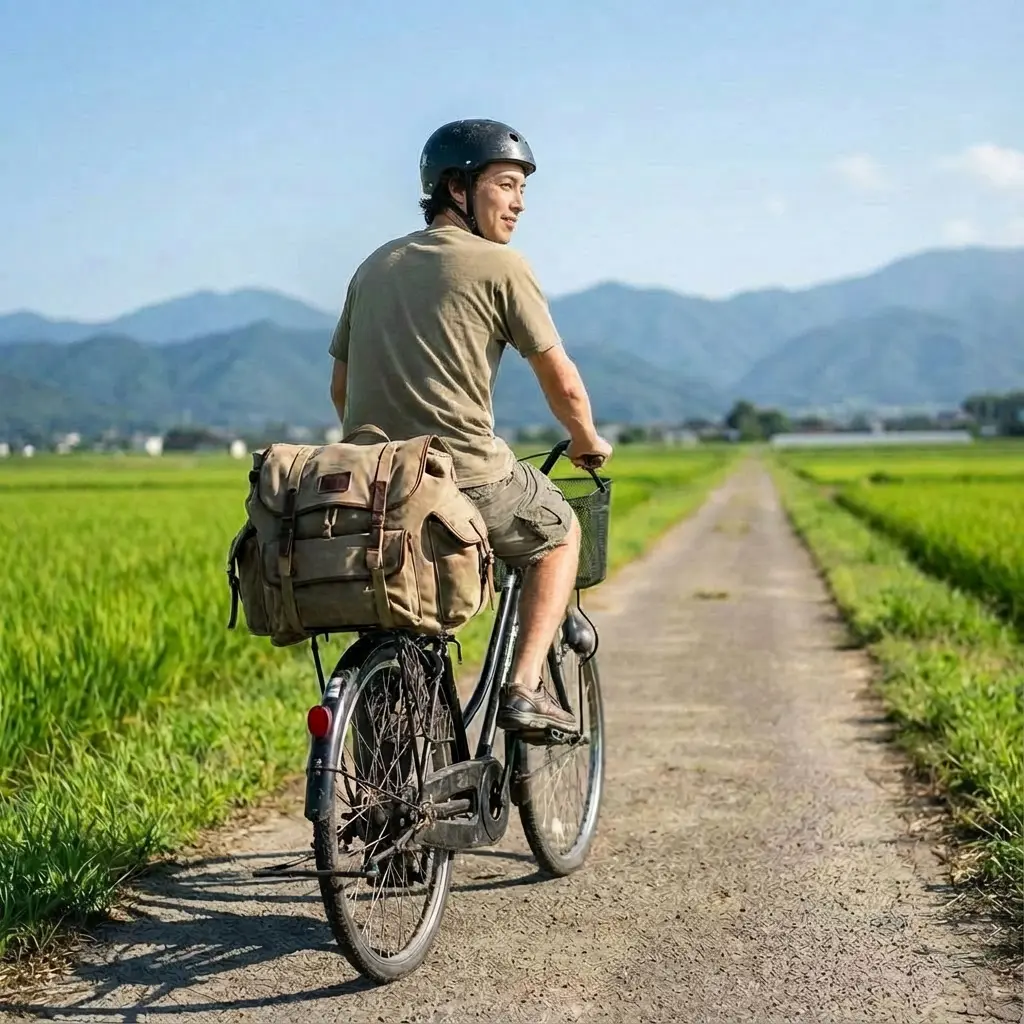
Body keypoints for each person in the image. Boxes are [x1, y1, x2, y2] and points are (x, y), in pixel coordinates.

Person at [328, 118, 612, 732]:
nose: (517, 205)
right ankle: (524, 687)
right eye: (505, 185)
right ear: (458, 187)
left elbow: (341, 390)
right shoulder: (500, 266)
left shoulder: (372, 267)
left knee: (395, 617)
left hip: (373, 486)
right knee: (559, 534)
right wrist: (588, 440)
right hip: (465, 479)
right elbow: (561, 381)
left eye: (523, 192)